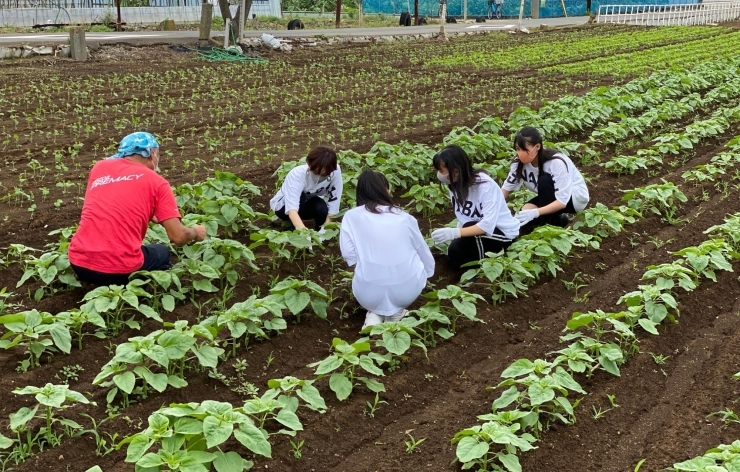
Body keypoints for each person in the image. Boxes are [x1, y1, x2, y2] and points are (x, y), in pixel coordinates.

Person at [68, 132, 206, 286]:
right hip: (119, 269)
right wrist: (195, 231)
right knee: (162, 252)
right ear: (151, 154)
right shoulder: (157, 182)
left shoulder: (99, 168)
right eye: (158, 155)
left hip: (78, 263)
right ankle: (146, 293)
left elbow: (113, 200)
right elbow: (178, 237)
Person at [340, 170, 435, 329]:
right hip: (406, 293)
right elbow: (424, 253)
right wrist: (428, 272)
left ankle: (374, 315)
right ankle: (395, 313)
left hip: (367, 295)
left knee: (368, 272)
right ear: (387, 191)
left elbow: (349, 255)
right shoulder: (405, 217)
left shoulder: (351, 216)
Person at [430, 145, 520, 270]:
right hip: (477, 233)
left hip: (502, 233)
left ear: (456, 171)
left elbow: (487, 225)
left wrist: (454, 233)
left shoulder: (485, 185)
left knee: (467, 234)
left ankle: (479, 269)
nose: (439, 175)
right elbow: (465, 217)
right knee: (454, 251)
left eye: (441, 171)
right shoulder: (454, 185)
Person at [501, 126, 590, 232]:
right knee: (523, 217)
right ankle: (559, 220)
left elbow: (562, 201)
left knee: (544, 180)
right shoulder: (518, 164)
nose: (520, 153)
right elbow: (505, 190)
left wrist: (536, 212)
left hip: (573, 198)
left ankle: (549, 224)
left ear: (537, 146)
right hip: (549, 196)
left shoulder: (556, 162)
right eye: (518, 149)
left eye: (525, 149)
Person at [270, 146, 343, 231]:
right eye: (315, 172)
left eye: (324, 175)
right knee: (301, 196)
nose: (318, 176)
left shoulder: (335, 171)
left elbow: (334, 201)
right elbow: (292, 209)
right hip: (283, 207)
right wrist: (303, 233)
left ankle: (319, 229)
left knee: (321, 207)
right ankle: (295, 230)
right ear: (309, 165)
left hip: (307, 205)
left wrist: (325, 229)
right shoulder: (297, 174)